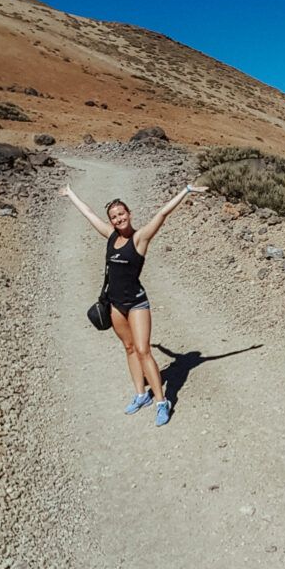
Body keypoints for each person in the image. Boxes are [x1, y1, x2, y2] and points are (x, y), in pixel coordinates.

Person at [58, 181, 207, 425]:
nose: (118, 219)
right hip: (115, 304)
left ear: (129, 213)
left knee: (143, 350)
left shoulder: (140, 238)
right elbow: (89, 214)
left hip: (136, 303)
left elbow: (162, 213)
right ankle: (141, 395)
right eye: (114, 217)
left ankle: (162, 402)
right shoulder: (110, 235)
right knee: (129, 348)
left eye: (121, 214)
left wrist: (187, 190)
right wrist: (70, 193)